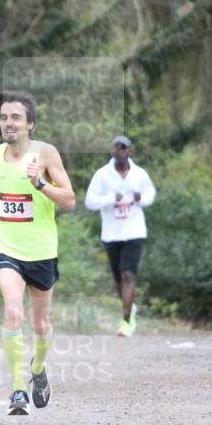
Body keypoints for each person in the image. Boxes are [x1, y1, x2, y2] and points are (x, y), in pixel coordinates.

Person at [0, 91, 75, 415]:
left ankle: (38, 369)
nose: (9, 123)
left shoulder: (45, 154)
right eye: (4, 117)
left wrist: (40, 185)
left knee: (41, 325)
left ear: (30, 124)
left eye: (16, 117)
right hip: (4, 246)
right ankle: (18, 390)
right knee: (13, 312)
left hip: (41, 251)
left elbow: (70, 200)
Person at [84, 135, 156, 337]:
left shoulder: (139, 174)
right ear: (112, 151)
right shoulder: (102, 175)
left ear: (130, 150)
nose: (121, 151)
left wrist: (140, 197)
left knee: (128, 275)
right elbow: (89, 202)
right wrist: (109, 199)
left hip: (134, 231)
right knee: (118, 279)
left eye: (124, 148)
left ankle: (126, 320)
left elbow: (151, 195)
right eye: (117, 148)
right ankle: (129, 307)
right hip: (112, 233)